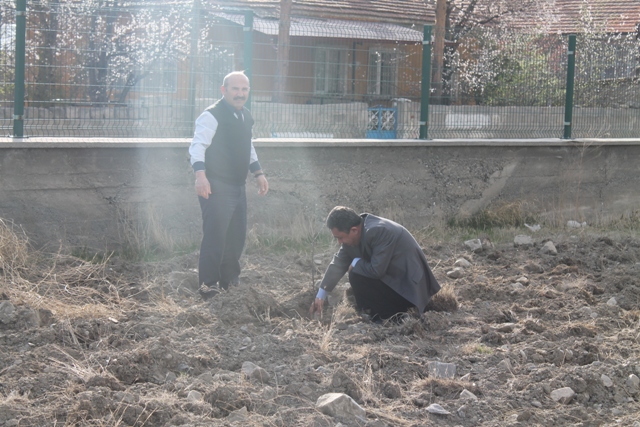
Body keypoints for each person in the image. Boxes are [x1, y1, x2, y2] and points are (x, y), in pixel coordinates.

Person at [189, 71, 268, 299]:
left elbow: (247, 146)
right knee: (215, 238)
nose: (240, 94)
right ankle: (209, 288)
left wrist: (258, 173)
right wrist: (200, 176)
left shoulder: (245, 116)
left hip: (237, 185)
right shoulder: (211, 115)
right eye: (235, 89)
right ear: (224, 90)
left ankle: (229, 282)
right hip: (216, 186)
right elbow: (197, 147)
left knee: (236, 237)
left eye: (244, 89)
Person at [309, 206, 440, 320]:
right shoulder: (354, 234)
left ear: (354, 230)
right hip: (393, 281)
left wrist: (356, 262)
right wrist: (321, 295)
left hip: (409, 289)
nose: (339, 242)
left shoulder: (379, 231)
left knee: (357, 271)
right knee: (357, 269)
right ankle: (371, 313)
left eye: (340, 237)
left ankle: (390, 317)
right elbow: (338, 263)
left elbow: (376, 271)